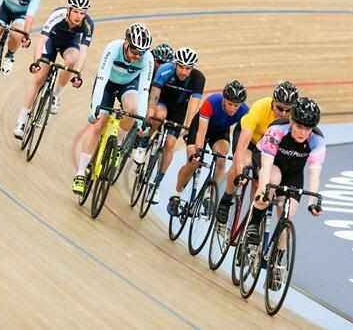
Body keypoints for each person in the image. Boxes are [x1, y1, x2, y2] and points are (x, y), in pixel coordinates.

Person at [71, 23, 154, 194]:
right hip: (107, 84)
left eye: (140, 53)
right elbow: (101, 80)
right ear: (126, 43)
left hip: (129, 85)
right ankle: (80, 173)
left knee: (132, 108)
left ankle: (120, 145)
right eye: (134, 52)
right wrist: (95, 108)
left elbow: (144, 91)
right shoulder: (113, 49)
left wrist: (141, 122)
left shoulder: (147, 59)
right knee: (97, 125)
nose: (136, 57)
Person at [216, 81, 299, 223]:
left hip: (266, 148)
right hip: (250, 140)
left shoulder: (293, 119)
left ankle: (251, 218)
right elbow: (241, 148)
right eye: (280, 108)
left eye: (288, 110)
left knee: (259, 181)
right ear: (273, 102)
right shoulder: (260, 107)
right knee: (243, 163)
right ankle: (226, 199)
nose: (284, 113)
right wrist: (240, 170)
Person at [12, 0, 93, 139]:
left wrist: (77, 74)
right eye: (75, 11)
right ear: (68, 10)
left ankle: (55, 95)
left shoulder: (88, 24)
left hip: (69, 45)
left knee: (72, 60)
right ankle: (21, 121)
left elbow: (84, 51)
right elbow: (42, 40)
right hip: (51, 42)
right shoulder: (58, 15)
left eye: (82, 13)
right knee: (39, 78)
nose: (78, 16)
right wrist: (36, 61)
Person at [245, 97, 326, 243]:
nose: (302, 132)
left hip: (293, 171)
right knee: (273, 179)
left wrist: (311, 202)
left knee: (287, 216)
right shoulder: (277, 130)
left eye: (307, 128)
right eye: (299, 126)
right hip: (270, 161)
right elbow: (266, 167)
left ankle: (278, 259)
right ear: (291, 121)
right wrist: (263, 190)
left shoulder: (317, 140)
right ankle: (253, 224)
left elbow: (314, 174)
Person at [167, 80, 249, 216]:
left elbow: (242, 136)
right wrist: (198, 152)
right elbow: (201, 132)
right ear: (224, 100)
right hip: (200, 127)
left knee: (222, 159)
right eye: (230, 104)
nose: (233, 108)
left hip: (220, 132)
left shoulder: (245, 111)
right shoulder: (212, 102)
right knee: (193, 161)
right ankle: (176, 193)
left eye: (236, 105)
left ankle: (209, 195)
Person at [137, 47, 205, 204]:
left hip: (179, 109)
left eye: (188, 68)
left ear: (192, 68)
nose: (183, 71)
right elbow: (154, 96)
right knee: (159, 115)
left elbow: (193, 108)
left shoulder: (198, 79)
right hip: (162, 102)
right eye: (181, 66)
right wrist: (149, 116)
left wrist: (189, 131)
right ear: (175, 64)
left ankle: (156, 184)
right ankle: (144, 143)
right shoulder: (165, 70)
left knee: (170, 144)